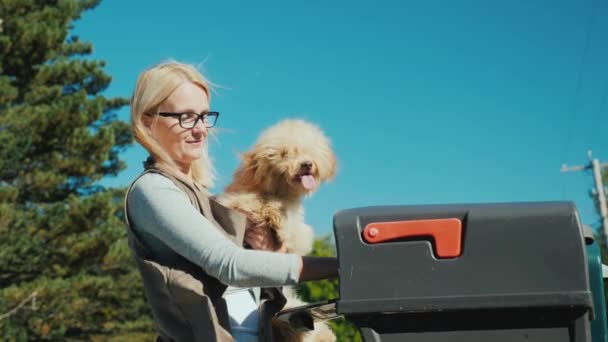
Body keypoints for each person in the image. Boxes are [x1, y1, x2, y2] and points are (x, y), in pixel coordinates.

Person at [124, 60, 338, 342]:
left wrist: (276, 249)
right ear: (149, 120)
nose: (200, 129)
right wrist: (338, 266)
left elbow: (253, 271)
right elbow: (228, 264)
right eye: (186, 117)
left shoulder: (204, 197)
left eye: (204, 116)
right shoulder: (152, 190)